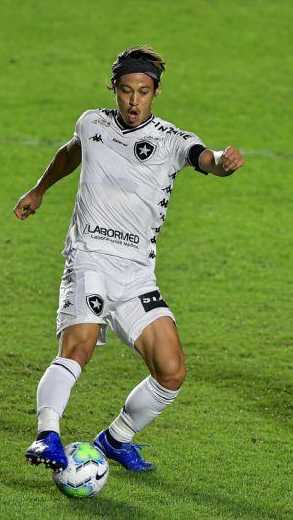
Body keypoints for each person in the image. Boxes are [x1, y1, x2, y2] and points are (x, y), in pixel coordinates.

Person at [14, 46, 244, 471]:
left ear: (155, 92)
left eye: (143, 91)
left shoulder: (173, 140)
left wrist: (223, 165)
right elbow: (71, 152)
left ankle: (115, 440)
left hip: (137, 273)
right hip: (90, 259)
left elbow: (205, 159)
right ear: (114, 90)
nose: (134, 101)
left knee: (171, 371)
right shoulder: (92, 123)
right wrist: (39, 189)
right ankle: (47, 435)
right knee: (79, 346)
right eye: (126, 90)